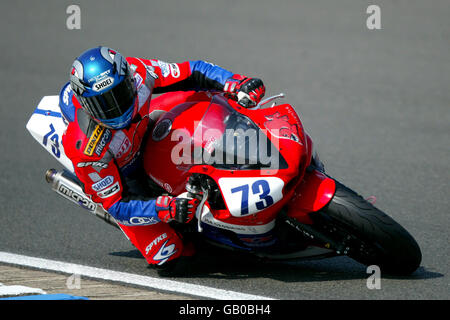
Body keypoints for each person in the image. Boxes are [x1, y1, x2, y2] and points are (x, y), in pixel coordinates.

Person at [59, 46, 265, 275]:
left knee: (210, 97)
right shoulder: (87, 148)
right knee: (169, 254)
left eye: (119, 94)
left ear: (127, 80)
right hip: (126, 177)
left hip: (146, 126)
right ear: (87, 106)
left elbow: (192, 71)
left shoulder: (140, 72)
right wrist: (164, 207)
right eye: (103, 103)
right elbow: (116, 204)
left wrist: (236, 82)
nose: (115, 107)